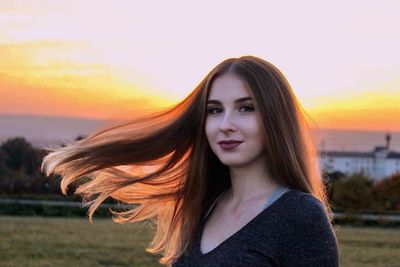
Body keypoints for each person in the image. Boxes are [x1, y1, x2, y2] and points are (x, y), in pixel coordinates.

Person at [41, 55, 340, 266]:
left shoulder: (300, 216)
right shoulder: (203, 205)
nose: (225, 123)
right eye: (214, 110)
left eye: (246, 108)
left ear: (276, 119)